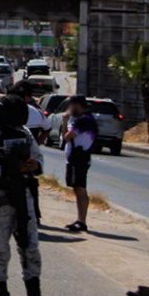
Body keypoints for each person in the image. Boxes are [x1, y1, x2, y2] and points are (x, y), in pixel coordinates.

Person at [0, 94, 49, 296]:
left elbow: (38, 157)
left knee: (30, 247)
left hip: (22, 195)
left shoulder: (24, 132)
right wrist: (8, 169)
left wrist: (34, 165)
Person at [8, 81, 47, 223]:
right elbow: (47, 128)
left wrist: (35, 149)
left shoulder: (30, 117)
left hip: (22, 168)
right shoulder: (35, 112)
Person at [61, 95, 97, 233]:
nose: (69, 109)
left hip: (79, 159)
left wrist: (65, 120)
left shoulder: (84, 120)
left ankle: (82, 221)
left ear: (78, 106)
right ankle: (80, 220)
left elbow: (66, 137)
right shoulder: (81, 119)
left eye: (71, 105)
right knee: (77, 188)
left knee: (80, 188)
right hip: (75, 158)